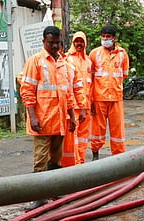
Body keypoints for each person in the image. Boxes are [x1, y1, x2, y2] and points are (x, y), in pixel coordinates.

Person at [20, 26, 76, 210]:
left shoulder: (63, 63)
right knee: (40, 160)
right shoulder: (35, 61)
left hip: (59, 120)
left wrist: (72, 116)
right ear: (44, 41)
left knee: (56, 159)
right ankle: (38, 195)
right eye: (51, 42)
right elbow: (27, 91)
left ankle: (54, 190)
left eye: (57, 43)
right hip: (42, 121)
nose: (54, 46)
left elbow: (67, 93)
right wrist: (33, 117)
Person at [89, 24, 129, 160]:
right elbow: (90, 77)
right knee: (97, 130)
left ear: (114, 38)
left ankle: (118, 158)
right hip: (99, 97)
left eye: (108, 37)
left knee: (117, 131)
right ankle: (95, 155)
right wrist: (91, 100)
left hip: (116, 98)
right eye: (103, 36)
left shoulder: (123, 54)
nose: (105, 39)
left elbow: (124, 74)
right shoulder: (94, 54)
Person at [64, 31, 92, 165]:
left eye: (81, 41)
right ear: (73, 42)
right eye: (77, 41)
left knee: (83, 137)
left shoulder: (88, 61)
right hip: (74, 106)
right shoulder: (67, 59)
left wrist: (87, 106)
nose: (79, 44)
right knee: (73, 136)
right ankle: (74, 163)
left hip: (86, 105)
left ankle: (81, 161)